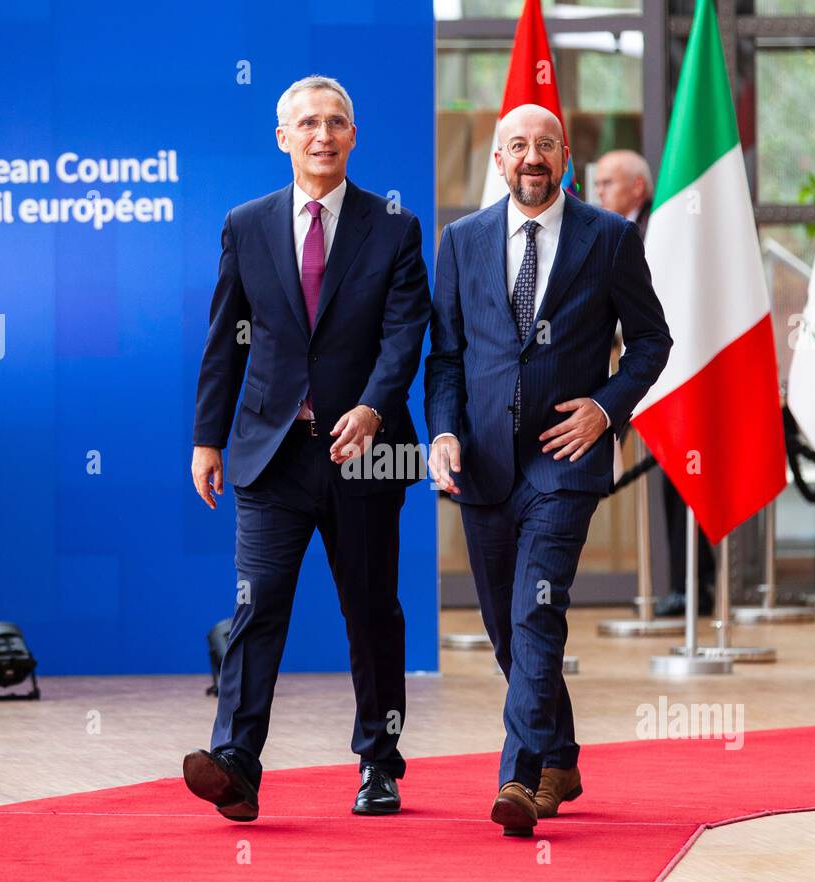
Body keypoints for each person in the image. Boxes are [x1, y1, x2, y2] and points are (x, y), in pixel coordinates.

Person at [187, 75, 431, 822]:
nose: (322, 135)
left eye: (336, 123)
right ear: (282, 137)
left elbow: (404, 336)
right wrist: (207, 437)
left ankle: (379, 763)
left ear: (353, 136)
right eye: (307, 124)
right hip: (270, 452)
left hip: (367, 453)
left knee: (371, 610)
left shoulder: (394, 226)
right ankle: (235, 762)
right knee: (256, 607)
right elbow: (225, 340)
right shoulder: (246, 223)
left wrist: (371, 408)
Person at [425, 106, 672, 837]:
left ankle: (521, 777)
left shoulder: (610, 238)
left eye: (546, 146)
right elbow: (445, 356)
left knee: (537, 611)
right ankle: (560, 752)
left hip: (565, 461)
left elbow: (652, 342)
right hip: (483, 464)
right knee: (506, 628)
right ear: (498, 160)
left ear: (566, 155)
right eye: (519, 146)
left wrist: (606, 408)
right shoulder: (461, 241)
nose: (533, 158)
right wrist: (442, 430)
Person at [594, 148, 714, 616]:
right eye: (597, 183)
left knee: (680, 480)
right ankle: (684, 585)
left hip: (676, 374)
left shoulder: (656, 231)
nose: (598, 191)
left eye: (608, 182)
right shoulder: (611, 232)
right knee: (664, 480)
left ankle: (696, 586)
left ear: (637, 188)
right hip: (645, 375)